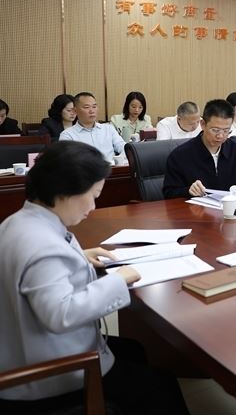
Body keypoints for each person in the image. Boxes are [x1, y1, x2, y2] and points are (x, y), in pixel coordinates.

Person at [0, 141, 189, 414]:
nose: (93, 207)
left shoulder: (17, 222)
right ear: (64, 192)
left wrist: (78, 256)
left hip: (19, 347)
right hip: (46, 375)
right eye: (93, 195)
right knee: (161, 385)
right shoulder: (43, 248)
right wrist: (118, 279)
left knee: (134, 351)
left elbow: (40, 268)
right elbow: (61, 315)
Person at [59, 92, 125, 163]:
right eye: (87, 107)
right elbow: (68, 160)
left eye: (94, 107)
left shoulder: (108, 129)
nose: (92, 111)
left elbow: (124, 147)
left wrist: (119, 160)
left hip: (111, 168)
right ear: (75, 110)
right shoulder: (67, 135)